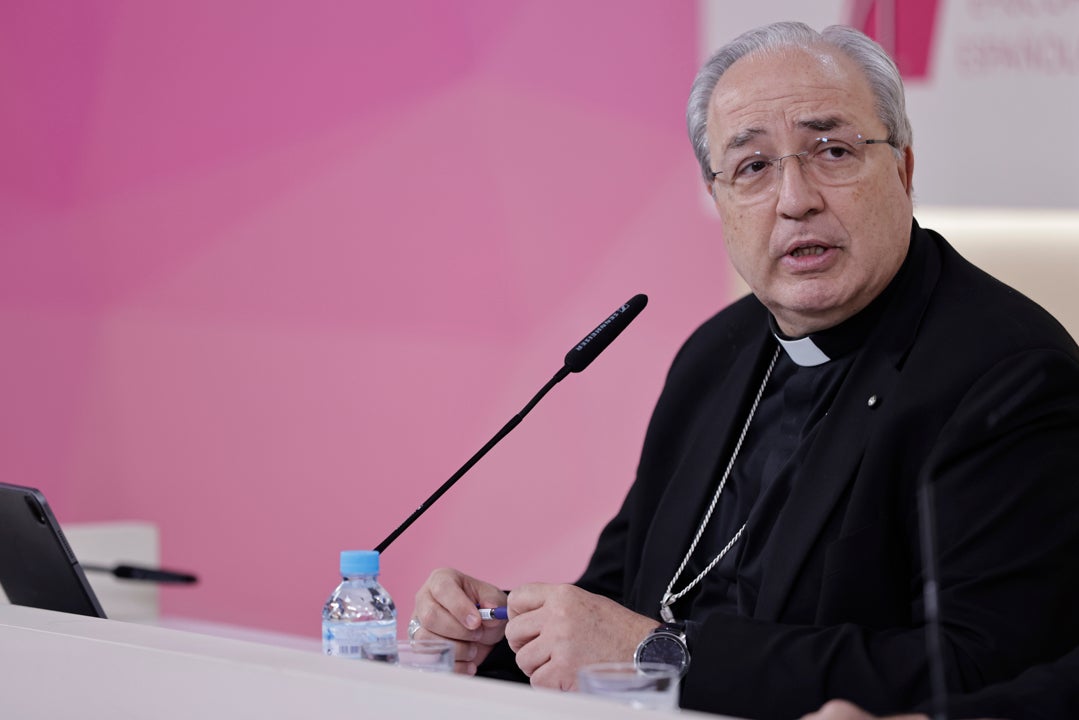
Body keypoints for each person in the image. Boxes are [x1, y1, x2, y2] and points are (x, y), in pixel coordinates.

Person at [411, 21, 1079, 719]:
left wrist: (658, 654)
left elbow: (978, 668)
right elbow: (615, 606)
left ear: (904, 171)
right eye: (753, 167)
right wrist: (496, 636)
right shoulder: (714, 356)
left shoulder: (1007, 375)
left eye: (833, 151)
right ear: (718, 197)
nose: (795, 198)